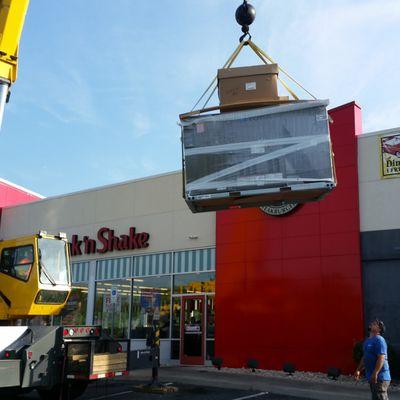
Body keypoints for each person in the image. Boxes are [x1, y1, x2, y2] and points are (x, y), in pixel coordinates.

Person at [355, 319, 391, 400]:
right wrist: (358, 370)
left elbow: (381, 358)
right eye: (372, 323)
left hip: (380, 377)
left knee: (380, 396)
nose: (372, 323)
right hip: (372, 376)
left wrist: (375, 373)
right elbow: (365, 357)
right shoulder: (367, 341)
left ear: (379, 329)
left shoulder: (379, 340)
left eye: (376, 324)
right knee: (376, 397)